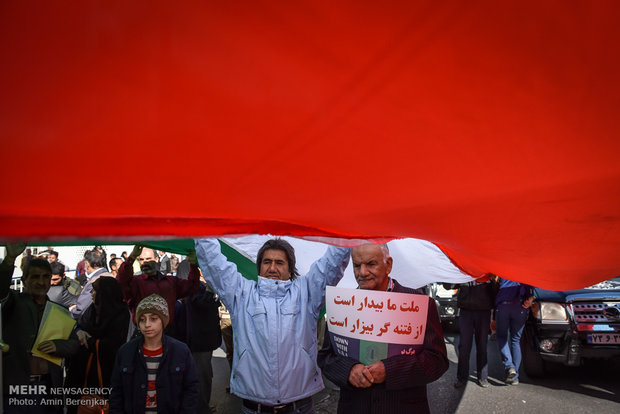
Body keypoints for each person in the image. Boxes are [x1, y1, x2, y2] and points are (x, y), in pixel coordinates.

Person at [194, 237, 350, 414]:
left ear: (290, 270)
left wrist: (346, 229)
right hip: (254, 409)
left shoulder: (306, 293)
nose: (273, 268)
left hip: (300, 407)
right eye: (267, 262)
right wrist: (201, 228)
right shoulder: (241, 294)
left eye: (280, 263)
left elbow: (332, 263)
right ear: (259, 267)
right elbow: (213, 262)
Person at [318, 243, 449, 414]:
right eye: (357, 266)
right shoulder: (342, 304)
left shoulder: (419, 305)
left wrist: (390, 371)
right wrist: (348, 371)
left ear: (388, 265)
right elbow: (326, 356)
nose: (362, 273)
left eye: (371, 264)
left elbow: (437, 361)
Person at [1, 243, 79, 413]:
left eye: (45, 276)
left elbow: (74, 344)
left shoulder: (60, 311)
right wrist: (9, 260)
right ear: (24, 280)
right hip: (15, 388)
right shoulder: (12, 303)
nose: (41, 282)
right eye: (35, 277)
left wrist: (58, 346)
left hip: (48, 388)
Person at [110, 294, 199, 413]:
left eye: (153, 319)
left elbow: (191, 389)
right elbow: (116, 391)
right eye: (142, 320)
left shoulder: (181, 351)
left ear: (163, 320)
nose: (147, 324)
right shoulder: (126, 352)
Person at [65, 277, 129, 413]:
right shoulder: (91, 311)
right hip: (81, 372)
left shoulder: (120, 314)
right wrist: (79, 332)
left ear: (105, 293)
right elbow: (78, 327)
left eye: (95, 290)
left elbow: (113, 346)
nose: (91, 293)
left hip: (107, 374)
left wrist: (89, 342)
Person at [172, 279, 222, 413]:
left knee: (204, 373)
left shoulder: (200, 286)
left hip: (204, 340)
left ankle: (202, 404)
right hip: (201, 341)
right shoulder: (195, 287)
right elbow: (202, 304)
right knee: (202, 375)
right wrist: (210, 291)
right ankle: (201, 407)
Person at [116, 246, 200, 325]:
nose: (145, 262)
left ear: (157, 259)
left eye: (148, 259)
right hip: (143, 334)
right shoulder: (135, 282)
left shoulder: (171, 282)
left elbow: (192, 286)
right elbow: (120, 281)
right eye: (141, 259)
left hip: (168, 333)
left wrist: (193, 263)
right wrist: (132, 257)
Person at [444, 274, 499, 388]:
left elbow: (496, 293)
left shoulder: (488, 273)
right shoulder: (464, 272)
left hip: (483, 312)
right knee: (464, 346)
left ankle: (483, 377)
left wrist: (495, 281)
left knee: (482, 346)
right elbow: (447, 286)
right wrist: (450, 273)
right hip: (466, 312)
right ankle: (462, 378)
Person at [495, 277, 534, 385]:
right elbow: (533, 288)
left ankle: (509, 366)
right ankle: (515, 377)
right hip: (520, 306)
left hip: (503, 305)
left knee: (501, 337)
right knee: (516, 340)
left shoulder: (502, 269)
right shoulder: (524, 270)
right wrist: (530, 299)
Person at [71, 249, 114, 319]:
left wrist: (72, 310)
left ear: (87, 264)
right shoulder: (109, 276)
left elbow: (81, 309)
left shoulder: (95, 281)